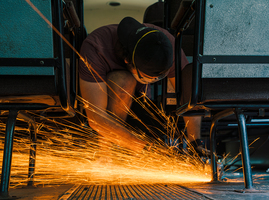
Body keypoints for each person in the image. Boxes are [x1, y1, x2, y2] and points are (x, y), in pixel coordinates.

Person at [79, 17, 204, 154]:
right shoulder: (96, 48)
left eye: (160, 77)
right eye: (148, 77)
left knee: (155, 135)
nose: (155, 79)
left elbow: (189, 99)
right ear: (127, 61)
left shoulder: (166, 46)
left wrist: (195, 143)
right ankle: (106, 154)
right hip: (100, 109)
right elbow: (97, 118)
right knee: (124, 80)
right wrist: (145, 148)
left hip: (138, 102)